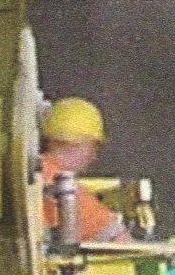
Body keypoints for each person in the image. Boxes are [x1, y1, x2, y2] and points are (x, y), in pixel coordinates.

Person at [40, 94, 129, 245]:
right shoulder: (59, 183)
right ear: (77, 144)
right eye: (93, 148)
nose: (93, 157)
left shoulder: (38, 171)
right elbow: (117, 238)